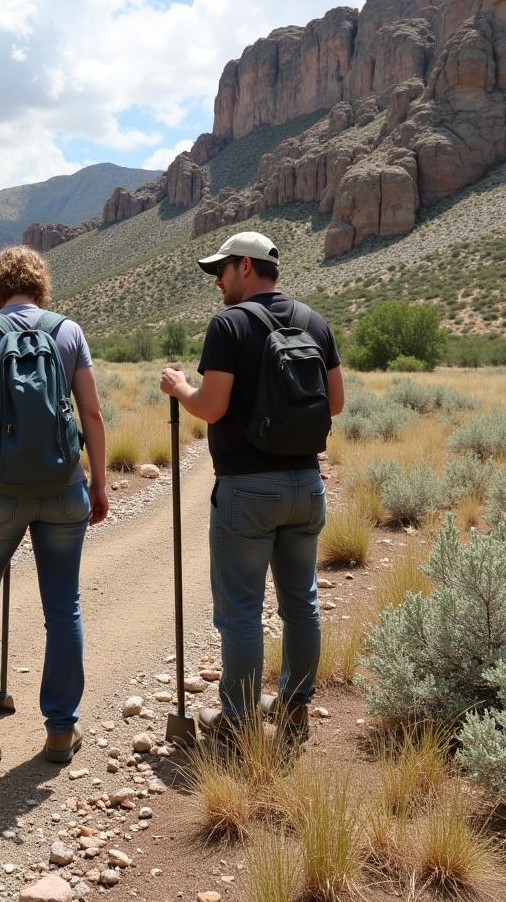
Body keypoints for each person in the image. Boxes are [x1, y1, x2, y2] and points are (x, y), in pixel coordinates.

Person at [160, 231, 344, 742]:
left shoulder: (229, 324)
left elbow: (212, 406)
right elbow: (335, 404)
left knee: (241, 610)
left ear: (245, 266)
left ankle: (237, 724)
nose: (217, 280)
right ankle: (294, 709)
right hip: (306, 484)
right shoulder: (315, 322)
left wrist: (180, 388)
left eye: (221, 269)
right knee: (300, 602)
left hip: (246, 489)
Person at [0, 245, 109, 765]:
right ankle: (61, 730)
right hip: (64, 487)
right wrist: (98, 483)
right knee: (64, 607)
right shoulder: (69, 331)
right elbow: (94, 414)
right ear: (40, 285)